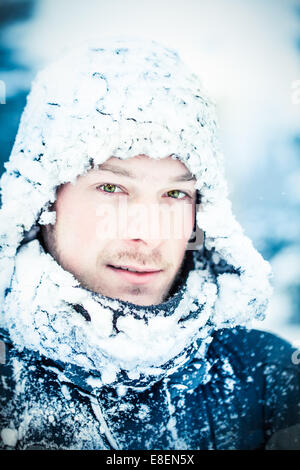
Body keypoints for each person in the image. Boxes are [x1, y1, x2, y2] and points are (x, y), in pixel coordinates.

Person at [0, 36, 299, 451]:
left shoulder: (271, 380)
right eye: (111, 187)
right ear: (43, 199)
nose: (149, 232)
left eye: (175, 194)